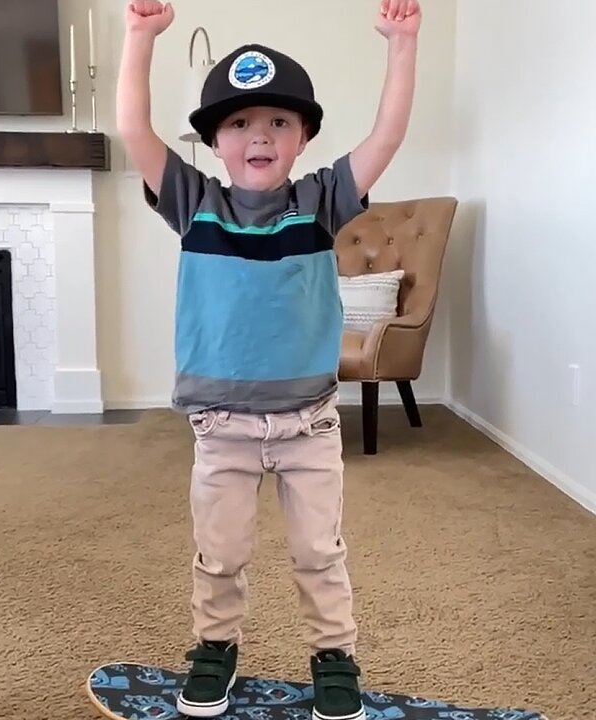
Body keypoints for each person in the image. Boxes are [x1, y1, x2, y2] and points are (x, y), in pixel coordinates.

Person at [115, 1, 420, 718]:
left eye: (279, 122)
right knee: (220, 554)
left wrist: (401, 47)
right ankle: (215, 646)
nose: (260, 135)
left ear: (304, 138)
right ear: (215, 142)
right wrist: (139, 38)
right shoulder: (194, 204)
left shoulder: (320, 203)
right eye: (240, 123)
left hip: (308, 423)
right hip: (220, 426)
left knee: (320, 551)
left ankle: (334, 655)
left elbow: (388, 135)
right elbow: (133, 127)